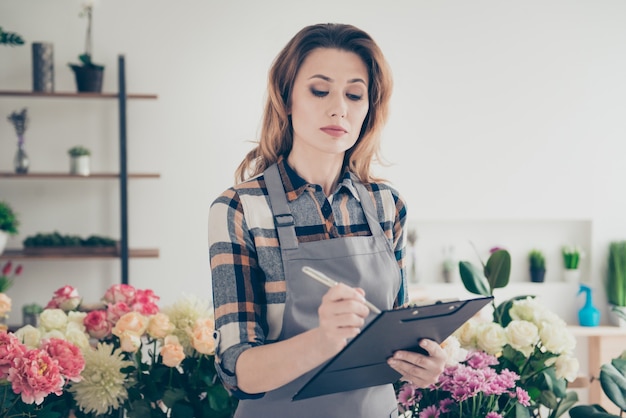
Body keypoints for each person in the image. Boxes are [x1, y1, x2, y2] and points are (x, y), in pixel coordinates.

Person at [208, 23, 446, 418]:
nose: (339, 108)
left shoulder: (388, 206)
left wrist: (421, 366)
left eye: (355, 94)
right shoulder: (240, 209)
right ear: (286, 99)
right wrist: (323, 341)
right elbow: (237, 371)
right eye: (320, 91)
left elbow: (393, 340)